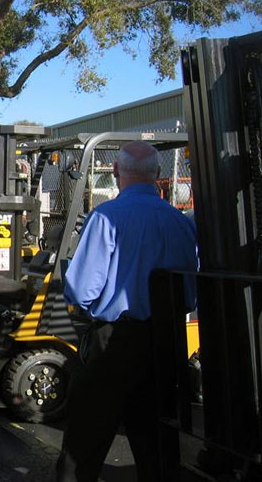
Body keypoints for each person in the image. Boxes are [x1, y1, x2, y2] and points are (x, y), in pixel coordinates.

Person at [56, 141, 198, 481]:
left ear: (116, 171)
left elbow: (81, 289)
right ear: (158, 173)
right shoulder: (181, 222)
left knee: (85, 442)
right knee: (157, 444)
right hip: (165, 342)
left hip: (116, 342)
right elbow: (191, 293)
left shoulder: (106, 216)